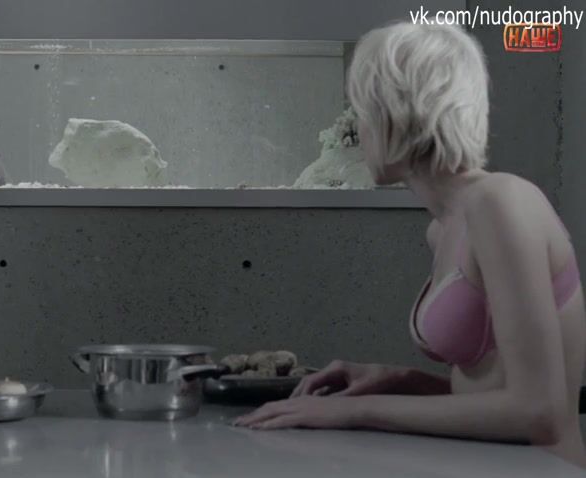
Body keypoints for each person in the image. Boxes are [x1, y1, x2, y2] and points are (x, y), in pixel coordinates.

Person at [233, 22, 586, 468]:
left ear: (399, 111)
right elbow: (491, 394)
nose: (358, 126)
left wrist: (353, 411)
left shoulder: (500, 203)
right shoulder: (444, 227)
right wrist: (398, 379)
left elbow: (539, 413)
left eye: (362, 108)